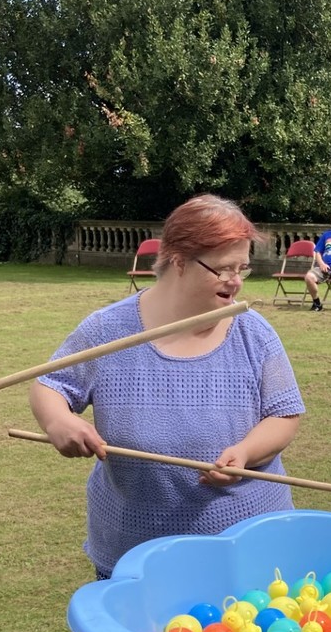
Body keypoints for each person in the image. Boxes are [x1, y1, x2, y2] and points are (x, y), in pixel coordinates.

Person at [31, 194, 305, 578]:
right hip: (135, 548)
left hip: (245, 546)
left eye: (242, 268)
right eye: (223, 269)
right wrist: (58, 422)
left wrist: (245, 452)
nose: (236, 282)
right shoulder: (108, 330)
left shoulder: (254, 333)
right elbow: (50, 385)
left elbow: (284, 414)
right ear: (178, 260)